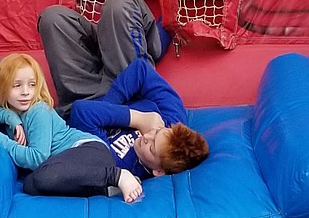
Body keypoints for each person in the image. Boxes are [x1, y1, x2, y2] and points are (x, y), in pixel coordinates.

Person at [22, 55, 209, 201]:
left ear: (158, 171)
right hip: (108, 87)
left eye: (151, 148)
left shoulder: (115, 161)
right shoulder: (171, 117)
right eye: (157, 133)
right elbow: (141, 70)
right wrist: (110, 105)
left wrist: (137, 119)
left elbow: (81, 112)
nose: (147, 137)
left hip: (69, 112)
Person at [0, 51, 144, 201]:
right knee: (31, 185)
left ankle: (117, 175)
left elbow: (37, 158)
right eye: (17, 86)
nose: (25, 92)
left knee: (42, 177)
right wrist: (9, 117)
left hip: (89, 150)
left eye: (32, 85)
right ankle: (105, 189)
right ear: (2, 88)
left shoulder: (38, 111)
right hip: (69, 164)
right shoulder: (13, 113)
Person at [37, 0, 170, 114]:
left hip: (91, 96)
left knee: (52, 18)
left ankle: (92, 98)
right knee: (119, 7)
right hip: (124, 85)